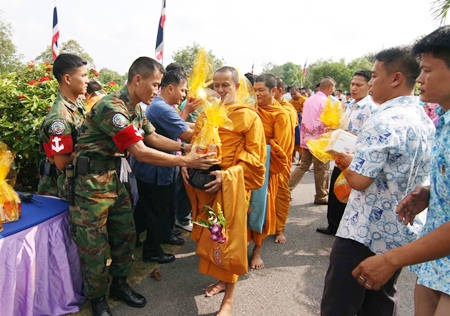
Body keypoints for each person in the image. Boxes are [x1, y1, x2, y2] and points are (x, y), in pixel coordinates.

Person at [72, 57, 216, 316]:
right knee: (94, 246)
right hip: (90, 186)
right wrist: (186, 159)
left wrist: (186, 147)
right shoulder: (111, 107)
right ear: (138, 80)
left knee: (126, 236)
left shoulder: (136, 108)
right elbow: (140, 151)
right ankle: (97, 300)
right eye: (155, 84)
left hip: (115, 180)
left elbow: (152, 137)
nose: (157, 89)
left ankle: (119, 285)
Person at [320, 46, 435, 316]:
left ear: (395, 78)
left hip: (363, 232)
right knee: (380, 302)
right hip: (398, 232)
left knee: (340, 304)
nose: (370, 83)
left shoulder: (382, 119)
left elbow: (359, 181)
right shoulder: (425, 120)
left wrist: (345, 161)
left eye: (374, 76)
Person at [351, 25, 450, 316]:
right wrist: (430, 193)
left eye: (428, 71)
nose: (419, 79)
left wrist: (391, 259)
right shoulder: (441, 118)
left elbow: (360, 179)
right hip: (437, 263)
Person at [183, 66, 266, 316]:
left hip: (232, 187)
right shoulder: (206, 114)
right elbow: (196, 142)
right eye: (215, 86)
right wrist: (187, 161)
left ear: (237, 87)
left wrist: (227, 175)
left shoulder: (248, 117)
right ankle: (222, 280)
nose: (219, 90)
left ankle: (228, 300)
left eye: (225, 85)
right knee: (213, 235)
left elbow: (255, 158)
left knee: (228, 241)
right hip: (206, 185)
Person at [132, 69, 193, 264]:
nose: (184, 95)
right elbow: (185, 133)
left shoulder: (158, 106)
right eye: (182, 90)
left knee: (157, 209)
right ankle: (152, 250)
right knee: (157, 211)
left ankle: (158, 236)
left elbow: (159, 135)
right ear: (170, 88)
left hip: (161, 167)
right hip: (154, 170)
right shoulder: (160, 108)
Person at [316, 70, 378, 235]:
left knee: (348, 195)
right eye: (352, 84)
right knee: (336, 192)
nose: (354, 88)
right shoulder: (350, 105)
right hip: (340, 156)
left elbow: (368, 136)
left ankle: (344, 229)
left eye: (359, 85)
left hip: (355, 159)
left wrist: (345, 135)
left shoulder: (370, 109)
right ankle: (334, 225)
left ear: (369, 86)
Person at [252, 74, 291, 265]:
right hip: (251, 163)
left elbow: (280, 148)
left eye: (261, 90)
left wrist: (260, 146)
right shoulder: (251, 109)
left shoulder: (281, 115)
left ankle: (277, 230)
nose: (256, 94)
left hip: (272, 165)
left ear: (274, 91)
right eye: (255, 89)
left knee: (271, 201)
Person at [38, 53, 88, 199]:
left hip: (73, 185)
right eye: (83, 76)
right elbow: (61, 162)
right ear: (67, 79)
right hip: (59, 191)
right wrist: (90, 147)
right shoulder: (60, 118)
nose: (87, 81)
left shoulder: (77, 104)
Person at [288, 78, 336, 205]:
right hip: (320, 140)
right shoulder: (327, 102)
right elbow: (329, 122)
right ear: (330, 87)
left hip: (307, 138)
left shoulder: (308, 100)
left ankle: (286, 190)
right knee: (321, 169)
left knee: (303, 165)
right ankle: (321, 196)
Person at [273, 77, 297, 243]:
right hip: (263, 157)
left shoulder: (287, 110)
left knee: (280, 193)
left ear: (279, 91)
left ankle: (280, 228)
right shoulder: (262, 108)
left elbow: (284, 139)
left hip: (280, 158)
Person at [289, 85, 307, 163]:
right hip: (293, 122)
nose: (293, 96)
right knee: (293, 139)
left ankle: (301, 158)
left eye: (294, 94)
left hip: (302, 122)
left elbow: (306, 111)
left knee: (300, 140)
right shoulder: (290, 102)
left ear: (298, 92)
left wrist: (300, 115)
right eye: (291, 94)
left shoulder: (304, 100)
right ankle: (292, 157)